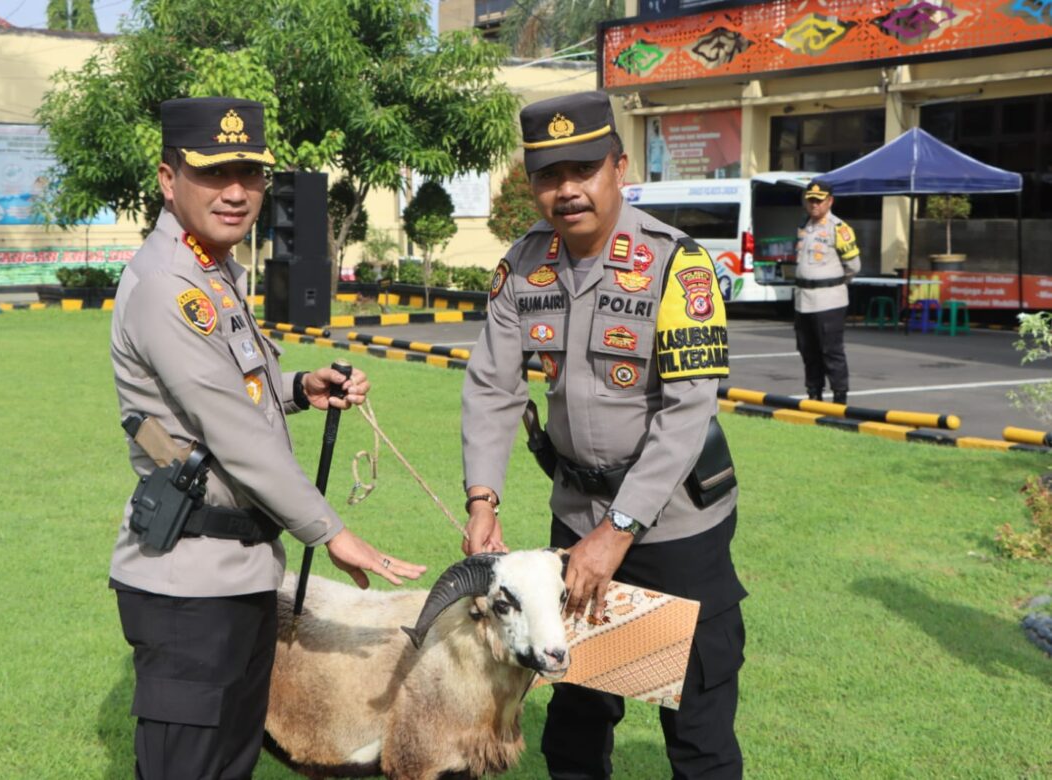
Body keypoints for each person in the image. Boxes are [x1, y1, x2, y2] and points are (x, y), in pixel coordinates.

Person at [108, 96, 425, 779]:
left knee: (229, 766)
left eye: (250, 175)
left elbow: (235, 391)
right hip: (189, 582)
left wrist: (298, 387)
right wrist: (329, 529)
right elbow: (230, 429)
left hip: (240, 573)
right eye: (213, 173)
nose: (236, 192)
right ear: (169, 179)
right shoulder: (170, 285)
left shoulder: (213, 271)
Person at [460, 90, 746, 779]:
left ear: (620, 167)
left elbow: (687, 412)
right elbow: (494, 387)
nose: (567, 191)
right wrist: (482, 500)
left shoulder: (678, 265)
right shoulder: (523, 266)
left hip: (675, 529)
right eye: (549, 176)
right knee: (578, 722)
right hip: (575, 520)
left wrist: (615, 535)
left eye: (584, 169)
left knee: (698, 732)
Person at [793, 180, 861, 404]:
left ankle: (840, 397)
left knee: (831, 351)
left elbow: (854, 266)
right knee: (807, 350)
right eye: (810, 200)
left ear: (830, 201)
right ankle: (814, 393)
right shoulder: (804, 226)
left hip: (829, 299)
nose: (814, 204)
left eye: (819, 200)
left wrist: (835, 283)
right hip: (803, 299)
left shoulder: (839, 228)